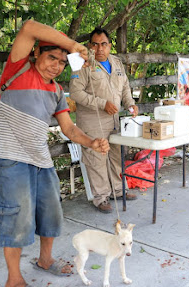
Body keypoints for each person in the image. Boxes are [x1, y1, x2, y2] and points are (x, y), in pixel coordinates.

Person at [0, 20, 110, 287]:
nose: (56, 65)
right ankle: (14, 278)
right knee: (15, 220)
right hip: (11, 161)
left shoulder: (56, 91)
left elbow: (69, 128)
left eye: (62, 62)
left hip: (42, 162)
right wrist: (73, 45)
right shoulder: (16, 70)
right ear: (36, 55)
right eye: (51, 58)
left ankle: (45, 259)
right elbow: (29, 27)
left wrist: (92, 143)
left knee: (50, 214)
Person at [69, 27, 139, 213]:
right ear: (89, 46)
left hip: (114, 119)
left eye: (104, 44)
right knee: (97, 158)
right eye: (95, 44)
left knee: (116, 154)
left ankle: (118, 190)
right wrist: (102, 103)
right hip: (92, 121)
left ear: (109, 46)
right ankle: (101, 198)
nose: (99, 49)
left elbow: (124, 86)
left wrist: (130, 103)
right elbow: (75, 93)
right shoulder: (81, 64)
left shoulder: (116, 62)